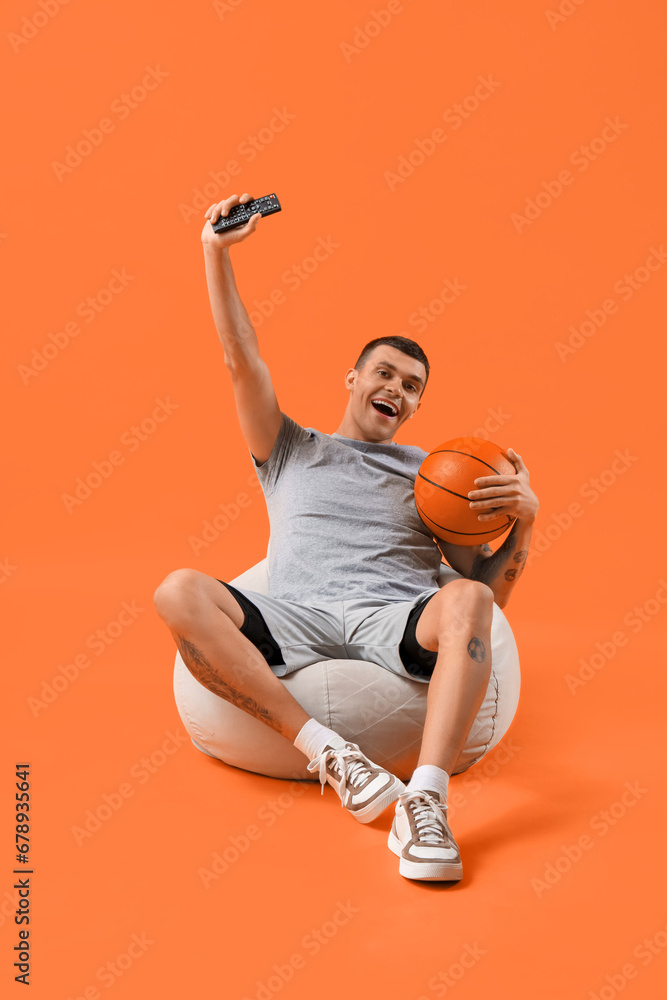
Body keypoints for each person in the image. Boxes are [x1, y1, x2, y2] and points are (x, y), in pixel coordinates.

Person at [153, 193, 540, 882]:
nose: (397, 389)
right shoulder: (288, 447)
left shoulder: (436, 473)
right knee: (176, 590)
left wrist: (526, 520)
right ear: (353, 379)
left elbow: (483, 601)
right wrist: (214, 253)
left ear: (418, 403)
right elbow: (241, 360)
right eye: (385, 373)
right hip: (293, 614)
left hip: (391, 619)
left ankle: (426, 800)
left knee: (469, 606)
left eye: (412, 385)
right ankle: (331, 754)